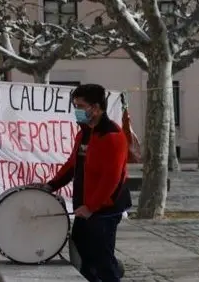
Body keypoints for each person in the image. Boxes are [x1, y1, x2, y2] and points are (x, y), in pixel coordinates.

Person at [38, 84, 132, 282]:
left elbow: (111, 179)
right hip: (86, 205)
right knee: (81, 249)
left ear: (95, 108)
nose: (77, 111)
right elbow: (72, 164)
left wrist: (91, 207)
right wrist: (51, 185)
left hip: (106, 208)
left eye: (80, 106)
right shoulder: (84, 133)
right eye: (75, 105)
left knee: (102, 258)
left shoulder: (113, 136)